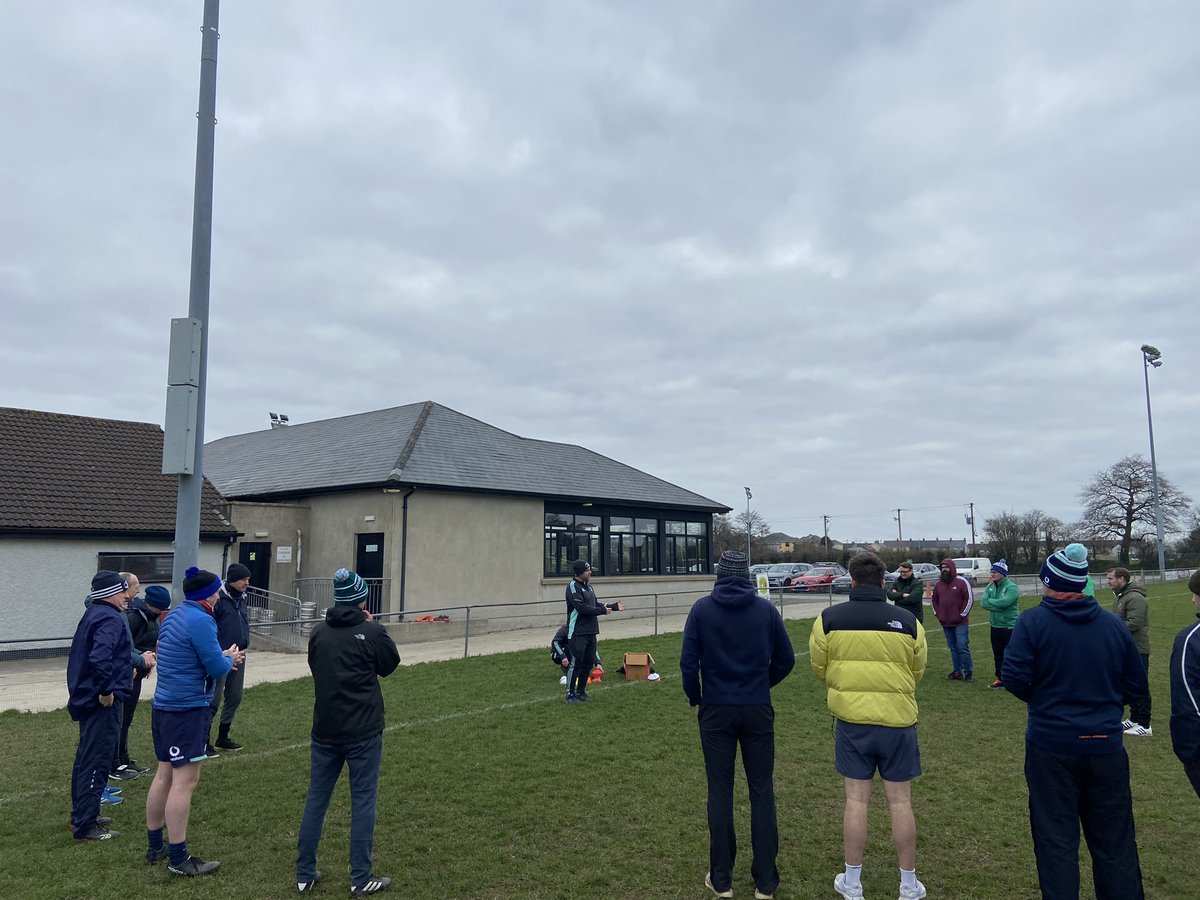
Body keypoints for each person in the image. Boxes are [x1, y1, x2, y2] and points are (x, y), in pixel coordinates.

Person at [1002, 546, 1148, 900]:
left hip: (1051, 746)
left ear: (1050, 582)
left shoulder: (1032, 622)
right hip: (1105, 744)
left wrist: (1046, 701)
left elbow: (1014, 676)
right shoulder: (1113, 625)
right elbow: (1136, 684)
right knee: (1115, 843)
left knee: (1056, 841)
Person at [811, 551, 928, 900]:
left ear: (852, 580)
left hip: (853, 723)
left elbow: (821, 666)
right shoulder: (908, 621)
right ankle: (907, 885)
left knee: (856, 801)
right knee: (900, 803)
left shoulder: (828, 619)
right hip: (897, 722)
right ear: (883, 581)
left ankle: (853, 882)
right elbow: (916, 668)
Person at [681, 550, 795, 900]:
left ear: (719, 574)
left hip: (716, 709)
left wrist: (696, 698)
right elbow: (786, 660)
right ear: (746, 575)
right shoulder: (765, 610)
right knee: (761, 790)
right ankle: (765, 882)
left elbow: (688, 664)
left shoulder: (702, 609)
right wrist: (761, 685)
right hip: (756, 708)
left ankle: (722, 879)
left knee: (720, 791)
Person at [296, 568, 400, 896]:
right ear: (361, 600)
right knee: (363, 799)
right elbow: (389, 665)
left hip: (325, 727)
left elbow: (317, 666)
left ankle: (304, 872)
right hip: (363, 729)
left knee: (317, 796)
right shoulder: (372, 631)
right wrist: (370, 627)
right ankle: (360, 876)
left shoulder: (318, 633)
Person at [145, 566, 244, 876]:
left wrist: (219, 654)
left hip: (163, 707)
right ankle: (178, 858)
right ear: (205, 595)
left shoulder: (173, 615)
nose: (218, 596)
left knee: (163, 775)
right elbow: (216, 668)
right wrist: (231, 658)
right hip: (186, 710)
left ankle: (155, 845)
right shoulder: (201, 619)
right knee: (184, 782)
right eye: (215, 592)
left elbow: (186, 655)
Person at [67, 571, 135, 841]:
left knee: (85, 758)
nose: (127, 597)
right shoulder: (110, 617)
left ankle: (82, 813)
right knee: (97, 760)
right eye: (123, 591)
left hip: (86, 697)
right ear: (110, 593)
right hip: (101, 702)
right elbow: (100, 657)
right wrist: (107, 690)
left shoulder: (93, 613)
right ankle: (86, 825)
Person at [113, 584, 170, 777]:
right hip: (130, 673)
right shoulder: (135, 617)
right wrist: (136, 664)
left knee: (127, 719)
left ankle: (124, 757)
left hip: (138, 671)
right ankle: (116, 762)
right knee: (121, 719)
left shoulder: (150, 617)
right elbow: (125, 646)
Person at [563, 560, 625, 703]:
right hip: (578, 632)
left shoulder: (589, 587)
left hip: (591, 631)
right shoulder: (573, 587)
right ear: (579, 573)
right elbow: (582, 608)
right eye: (587, 570)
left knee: (588, 664)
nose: (590, 572)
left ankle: (581, 692)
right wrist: (603, 611)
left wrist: (613, 607)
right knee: (576, 664)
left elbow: (594, 605)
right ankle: (570, 694)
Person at [208, 563, 252, 754]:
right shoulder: (219, 600)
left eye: (248, 580)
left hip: (239, 654)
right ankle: (203, 739)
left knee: (234, 697)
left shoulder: (242, 599)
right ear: (233, 580)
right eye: (243, 580)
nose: (246, 583)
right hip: (222, 656)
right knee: (214, 699)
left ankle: (223, 736)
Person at [1107, 566, 1151, 736]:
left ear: (1122, 579)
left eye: (1111, 578)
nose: (1108, 581)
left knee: (1140, 685)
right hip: (1126, 647)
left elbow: (1134, 623)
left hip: (1138, 647)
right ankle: (1134, 718)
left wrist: (1112, 628)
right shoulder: (1121, 596)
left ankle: (1145, 724)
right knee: (1129, 684)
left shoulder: (1134, 597)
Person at [1169, 569, 1200, 799]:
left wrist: (1189, 752)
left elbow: (1187, 699)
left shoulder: (1190, 640)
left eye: (1195, 593)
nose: (1192, 600)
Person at [930, 558, 974, 682]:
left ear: (952, 568)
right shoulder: (939, 584)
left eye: (946, 567)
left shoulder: (962, 582)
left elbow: (969, 599)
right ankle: (957, 671)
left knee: (962, 646)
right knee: (953, 648)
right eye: (942, 568)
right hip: (945, 622)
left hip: (960, 622)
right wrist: (938, 614)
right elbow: (934, 600)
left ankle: (968, 671)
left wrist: (961, 615)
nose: (944, 570)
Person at [979, 559, 1019, 689]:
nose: (992, 574)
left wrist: (993, 603)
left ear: (1003, 573)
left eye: (995, 572)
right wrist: (997, 604)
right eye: (991, 572)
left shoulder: (1012, 588)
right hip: (995, 626)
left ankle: (1013, 679)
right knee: (998, 654)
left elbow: (1005, 603)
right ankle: (1000, 679)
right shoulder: (989, 587)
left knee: (1010, 654)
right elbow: (983, 603)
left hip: (1009, 626)